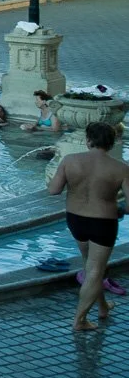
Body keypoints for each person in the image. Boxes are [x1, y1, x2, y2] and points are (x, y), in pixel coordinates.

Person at [48, 121, 129, 331]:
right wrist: (120, 208)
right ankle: (80, 320)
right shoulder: (121, 168)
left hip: (75, 219)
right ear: (112, 143)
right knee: (95, 270)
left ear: (88, 140)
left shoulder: (70, 160)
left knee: (90, 265)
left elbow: (53, 190)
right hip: (103, 222)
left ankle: (102, 307)